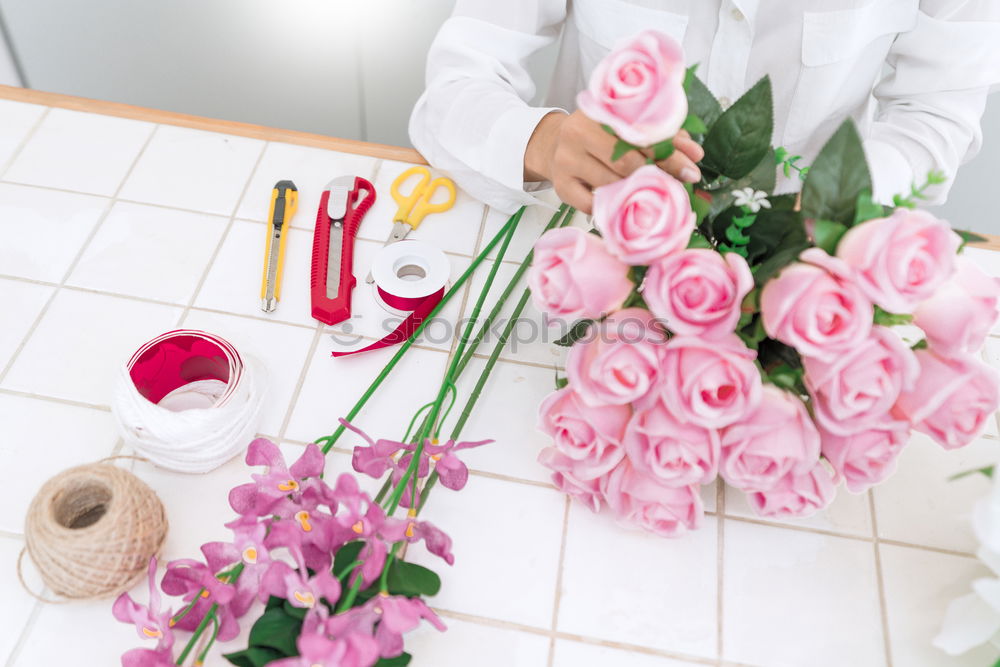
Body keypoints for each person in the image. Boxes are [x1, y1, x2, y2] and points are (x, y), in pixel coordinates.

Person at [409, 0, 1000, 215]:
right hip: (586, 247)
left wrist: (829, 205)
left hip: (813, 267)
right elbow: (456, 86)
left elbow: (937, 115)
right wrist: (542, 141)